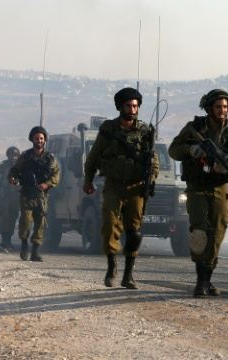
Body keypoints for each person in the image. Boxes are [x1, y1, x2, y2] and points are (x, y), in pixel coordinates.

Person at [168, 89, 228, 297]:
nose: (223, 110)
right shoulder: (194, 129)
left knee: (218, 232)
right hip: (197, 188)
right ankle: (201, 281)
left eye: (225, 106)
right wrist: (191, 150)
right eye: (218, 106)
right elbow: (173, 150)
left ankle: (208, 277)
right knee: (199, 231)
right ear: (209, 108)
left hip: (220, 188)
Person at [83, 87, 158, 289]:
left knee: (134, 232)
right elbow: (94, 157)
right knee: (109, 225)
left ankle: (128, 274)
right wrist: (88, 180)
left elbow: (154, 159)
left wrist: (151, 177)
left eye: (135, 105)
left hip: (136, 187)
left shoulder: (145, 132)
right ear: (120, 107)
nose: (132, 109)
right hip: (114, 185)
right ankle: (111, 266)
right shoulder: (108, 130)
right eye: (128, 105)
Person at [8, 127, 60, 261]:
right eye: (37, 138)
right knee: (25, 221)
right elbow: (14, 170)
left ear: (45, 140)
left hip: (42, 196)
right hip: (26, 193)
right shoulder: (25, 156)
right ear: (32, 139)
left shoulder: (50, 158)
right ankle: (24, 244)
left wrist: (47, 184)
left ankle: (35, 251)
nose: (39, 141)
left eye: (41, 138)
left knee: (40, 223)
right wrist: (13, 178)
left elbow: (56, 175)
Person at [0, 146, 21, 252]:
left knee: (13, 217)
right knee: (5, 217)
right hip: (5, 196)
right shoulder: (2, 166)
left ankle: (8, 240)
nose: (14, 157)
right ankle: (4, 241)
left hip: (16, 196)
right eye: (12, 155)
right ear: (8, 155)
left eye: (16, 155)